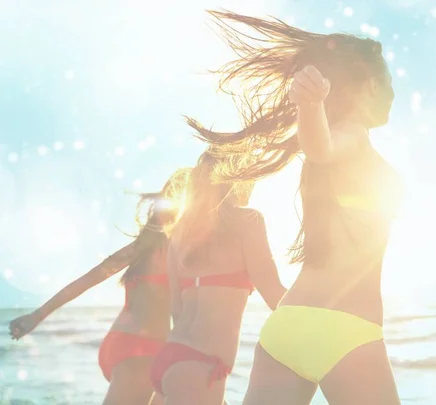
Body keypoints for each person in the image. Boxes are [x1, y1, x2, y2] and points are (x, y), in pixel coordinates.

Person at [189, 10, 402, 405]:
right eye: (389, 81)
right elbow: (320, 149)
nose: (392, 91)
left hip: (287, 327)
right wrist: (310, 106)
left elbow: (319, 147)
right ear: (371, 84)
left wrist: (312, 108)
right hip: (346, 330)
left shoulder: (341, 146)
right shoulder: (352, 138)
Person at [8, 168, 189, 405]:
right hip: (143, 352)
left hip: (128, 345)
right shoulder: (179, 251)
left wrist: (37, 316)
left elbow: (87, 280)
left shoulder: (141, 247)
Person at [148, 151, 287, 405]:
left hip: (171, 359)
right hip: (203, 366)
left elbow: (176, 310)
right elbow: (273, 294)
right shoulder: (248, 221)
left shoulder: (179, 233)